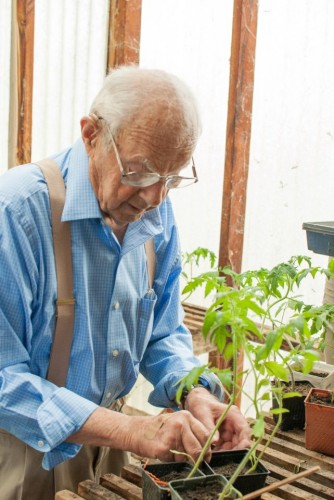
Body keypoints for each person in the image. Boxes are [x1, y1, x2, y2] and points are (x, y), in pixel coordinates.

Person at [0, 65, 251, 499]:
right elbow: (4, 379)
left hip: (112, 451)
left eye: (173, 177)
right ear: (91, 134)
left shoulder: (156, 213)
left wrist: (192, 390)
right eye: (140, 171)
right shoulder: (17, 213)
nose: (154, 196)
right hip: (25, 454)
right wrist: (133, 430)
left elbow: (162, 333)